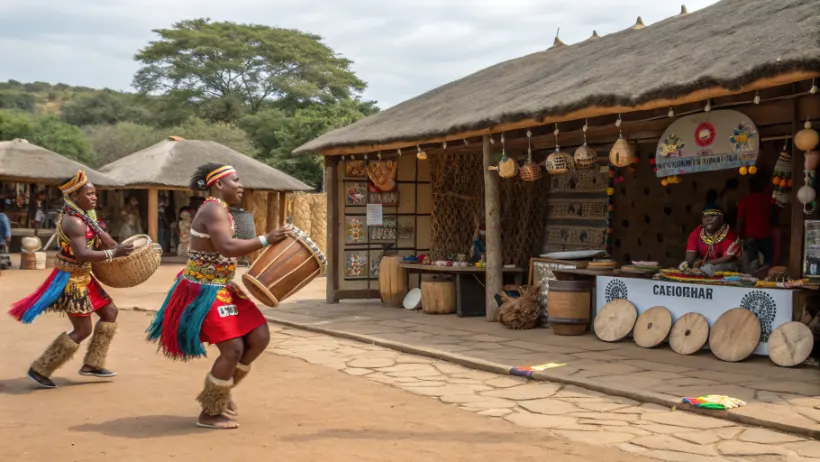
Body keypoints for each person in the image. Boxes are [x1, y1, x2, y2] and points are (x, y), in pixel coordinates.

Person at [146, 164, 289, 430]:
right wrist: (266, 239)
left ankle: (222, 391)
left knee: (259, 336)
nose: (241, 185)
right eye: (235, 180)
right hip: (204, 288)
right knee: (233, 348)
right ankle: (209, 413)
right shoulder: (212, 209)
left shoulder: (223, 210)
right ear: (219, 185)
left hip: (222, 286)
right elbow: (227, 247)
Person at [8, 170, 134, 388]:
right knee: (83, 329)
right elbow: (82, 254)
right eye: (90, 194)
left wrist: (118, 247)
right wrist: (114, 253)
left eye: (95, 194)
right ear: (75, 197)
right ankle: (40, 368)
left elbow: (105, 241)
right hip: (71, 280)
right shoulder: (73, 222)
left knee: (110, 312)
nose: (94, 198)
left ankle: (93, 364)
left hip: (84, 276)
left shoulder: (89, 217)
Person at [680, 205, 742, 272]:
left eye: (713, 215)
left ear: (721, 218)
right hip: (704, 266)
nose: (708, 219)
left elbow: (728, 258)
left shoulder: (730, 235)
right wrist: (686, 264)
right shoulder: (696, 233)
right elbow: (690, 257)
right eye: (705, 216)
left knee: (716, 267)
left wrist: (707, 263)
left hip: (726, 266)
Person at [737, 175, 774, 270]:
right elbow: (775, 214)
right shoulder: (768, 199)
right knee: (768, 265)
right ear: (763, 186)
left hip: (750, 237)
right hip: (766, 234)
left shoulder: (744, 200)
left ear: (750, 186)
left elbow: (740, 221)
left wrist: (736, 236)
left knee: (752, 265)